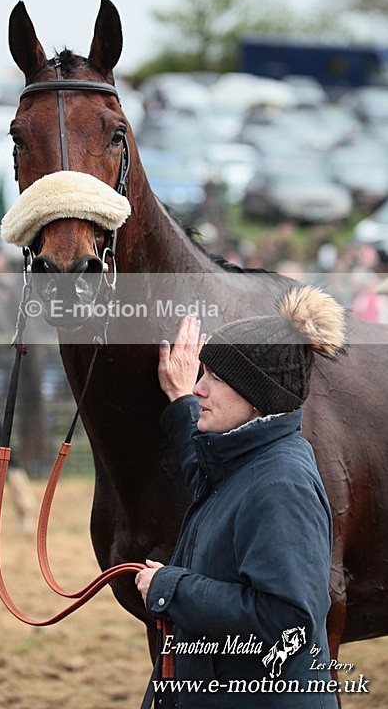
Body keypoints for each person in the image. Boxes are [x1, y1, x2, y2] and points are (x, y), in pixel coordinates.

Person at [135, 285, 346, 708]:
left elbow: (288, 621)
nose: (199, 388)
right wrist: (179, 402)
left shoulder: (282, 486)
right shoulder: (245, 461)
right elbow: (209, 480)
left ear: (256, 397)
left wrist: (171, 588)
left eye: (215, 378)